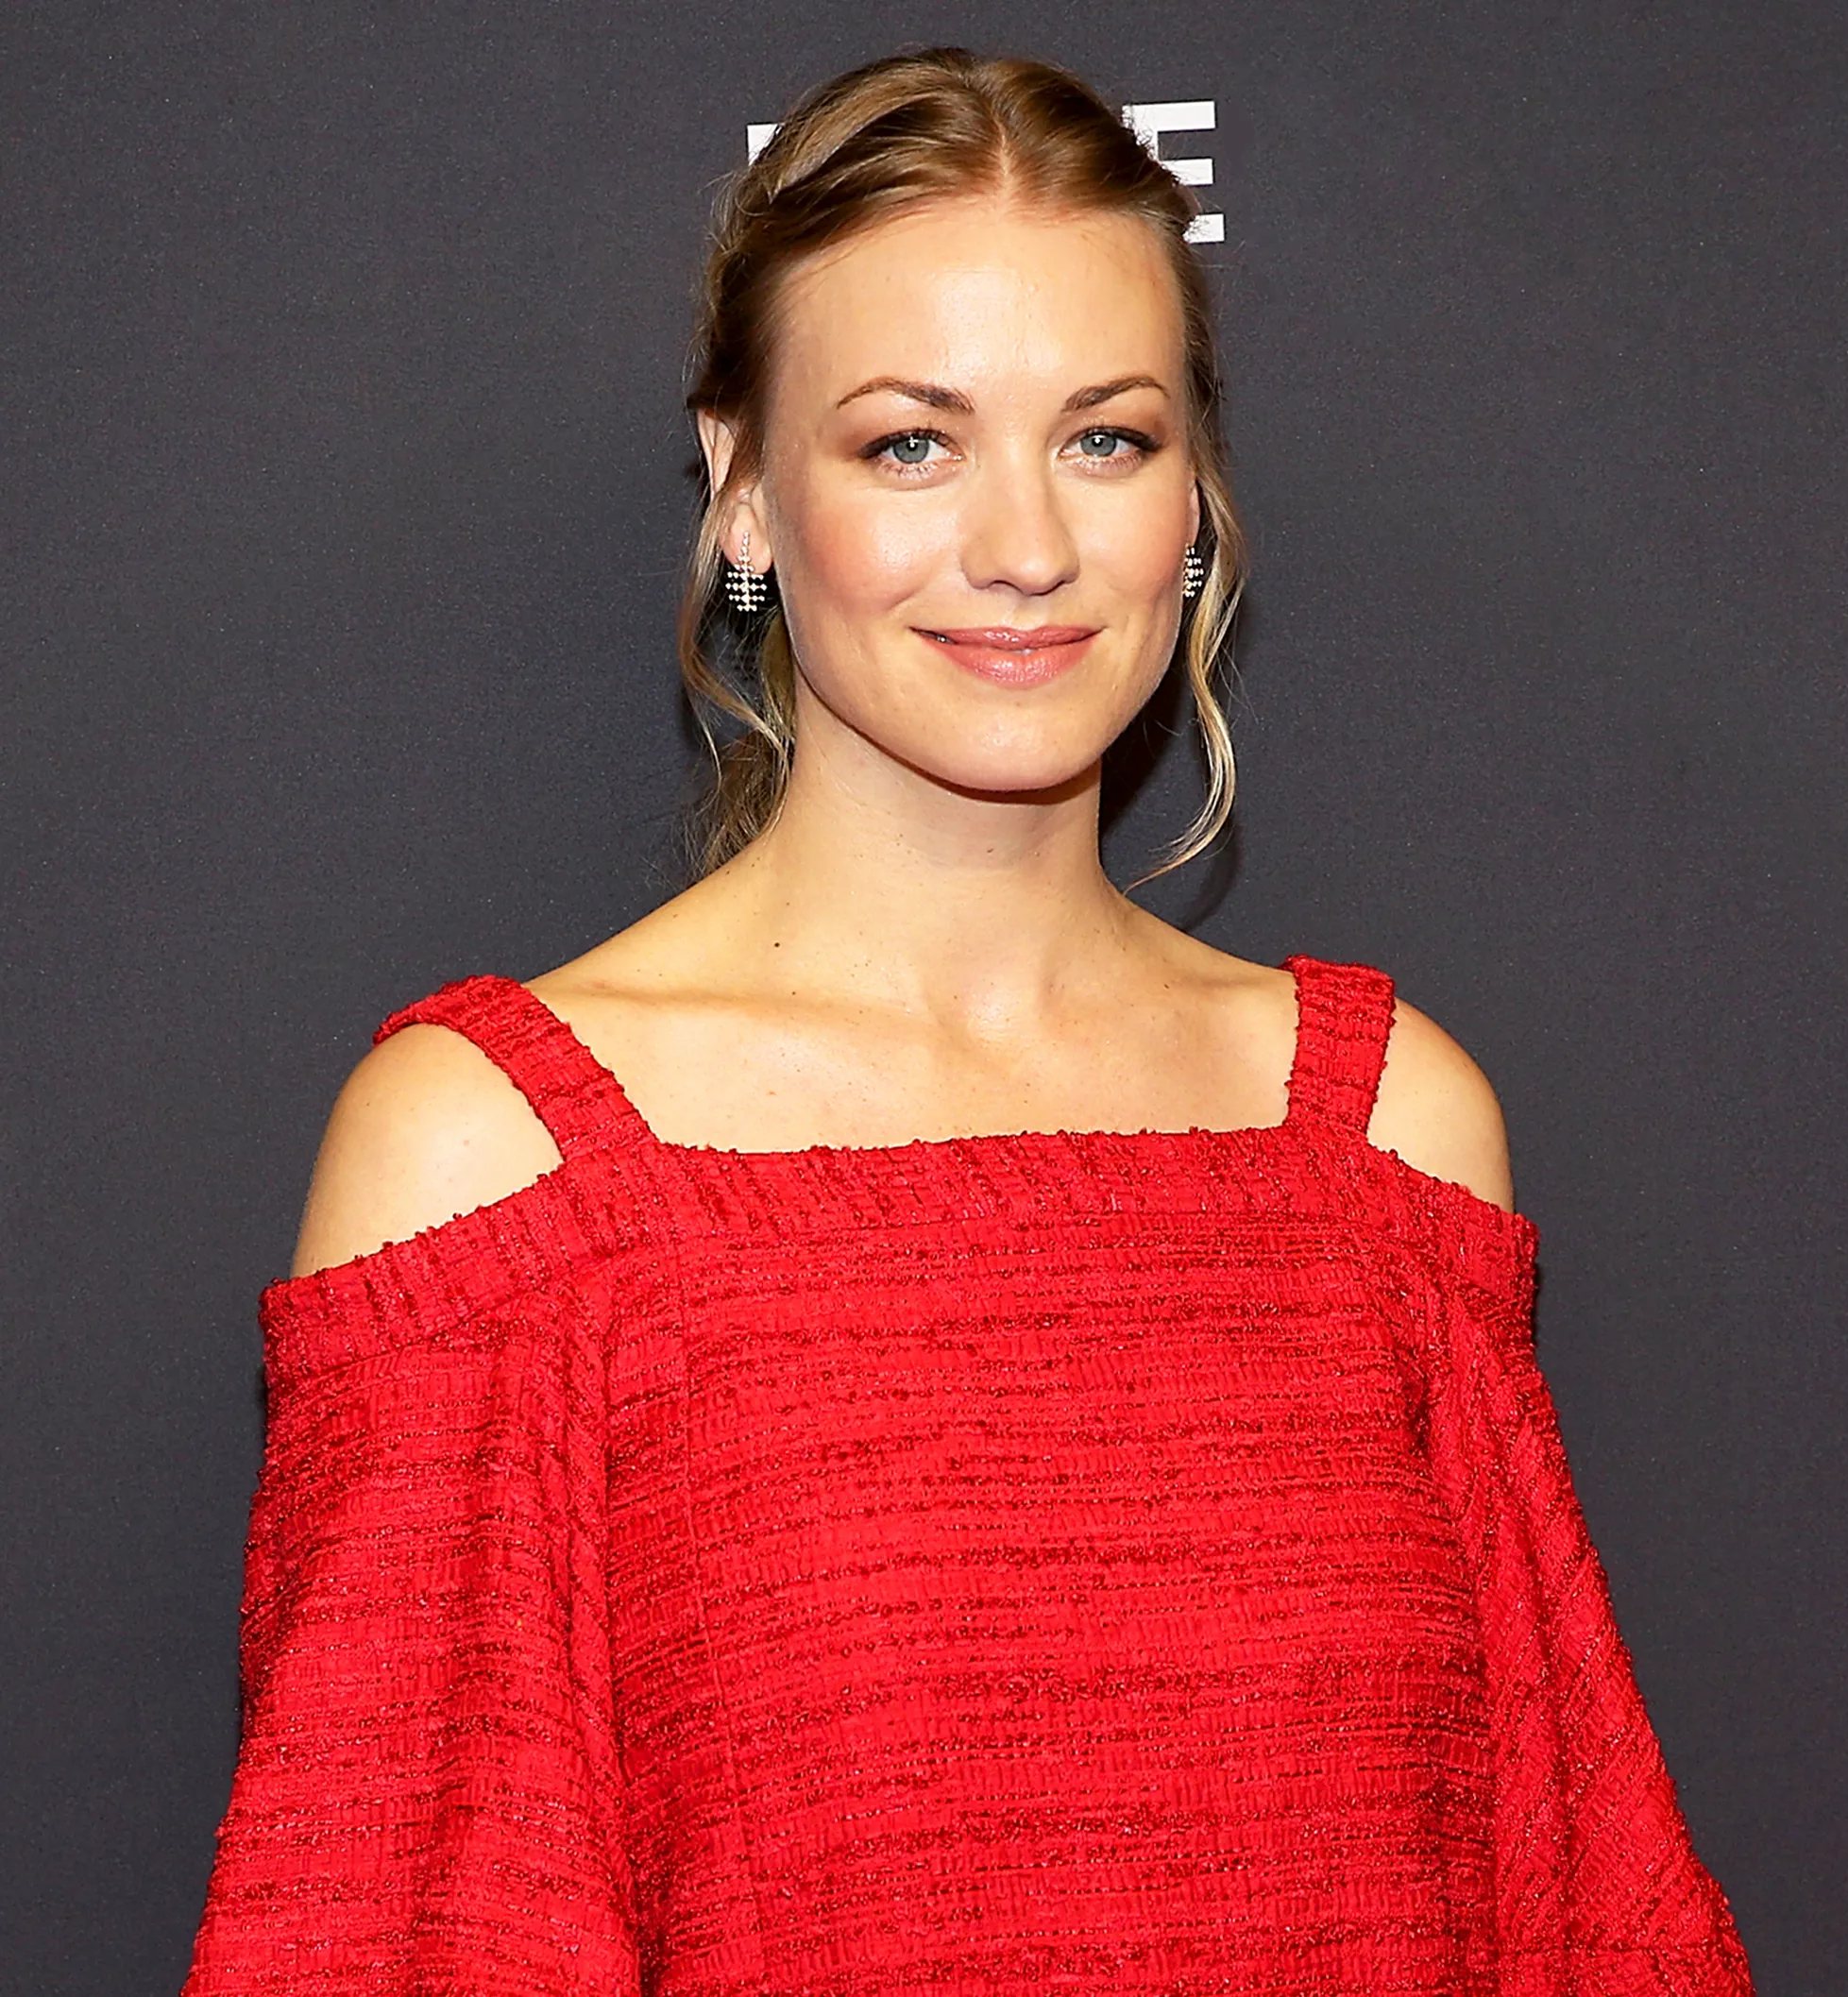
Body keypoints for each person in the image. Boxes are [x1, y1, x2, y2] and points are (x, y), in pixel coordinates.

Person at [185, 47, 1754, 1995]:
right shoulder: (493, 1172)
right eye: (909, 443)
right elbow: (383, 1936)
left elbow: (1578, 1919)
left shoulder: (1389, 1146)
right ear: (746, 493)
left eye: (1104, 437)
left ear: (1195, 495)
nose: (1024, 547)